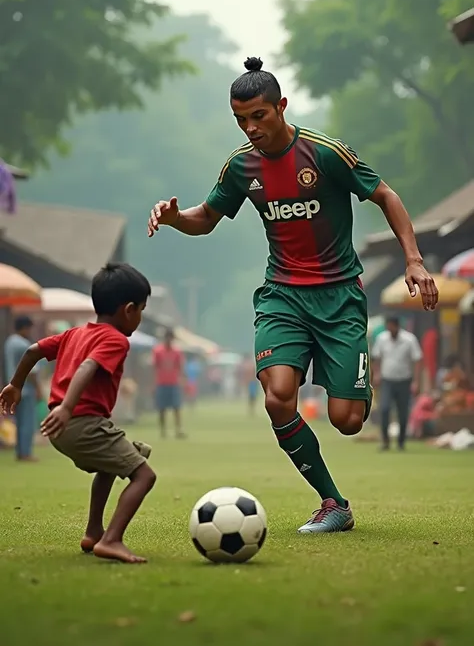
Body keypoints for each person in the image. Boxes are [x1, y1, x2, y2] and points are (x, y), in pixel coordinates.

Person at [147, 57, 438, 534]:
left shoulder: (325, 153)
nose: (250, 127)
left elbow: (385, 194)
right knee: (279, 397)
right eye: (240, 119)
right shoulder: (241, 166)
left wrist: (414, 259)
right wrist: (177, 217)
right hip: (282, 296)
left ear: (281, 106)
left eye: (258, 115)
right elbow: (207, 217)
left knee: (346, 421)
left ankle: (354, 385)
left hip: (340, 296)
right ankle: (333, 503)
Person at [0, 263, 156, 563]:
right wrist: (68, 407)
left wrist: (15, 385)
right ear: (129, 309)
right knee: (144, 476)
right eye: (141, 311)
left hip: (66, 428)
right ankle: (111, 540)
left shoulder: (74, 333)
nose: (140, 318)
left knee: (111, 464)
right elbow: (88, 367)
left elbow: (33, 350)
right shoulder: (115, 339)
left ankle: (93, 532)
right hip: (81, 422)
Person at [371, 316, 423, 451]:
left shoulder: (409, 339)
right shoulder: (382, 339)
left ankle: (401, 441)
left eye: (392, 327)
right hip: (387, 380)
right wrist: (376, 374)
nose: (390, 329)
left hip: (404, 380)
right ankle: (385, 441)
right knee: (384, 409)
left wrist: (416, 381)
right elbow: (376, 358)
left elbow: (417, 360)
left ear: (397, 326)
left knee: (403, 412)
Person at [4, 316, 43, 462]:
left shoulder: (10, 342)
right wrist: (38, 388)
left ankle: (20, 451)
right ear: (25, 327)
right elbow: (32, 371)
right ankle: (26, 453)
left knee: (19, 422)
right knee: (27, 422)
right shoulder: (24, 344)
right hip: (25, 389)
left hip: (12, 388)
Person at [152, 329, 186, 439]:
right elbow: (154, 367)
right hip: (161, 382)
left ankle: (179, 429)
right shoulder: (158, 351)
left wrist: (182, 380)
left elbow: (180, 366)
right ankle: (163, 430)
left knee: (177, 407)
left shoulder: (177, 352)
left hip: (174, 382)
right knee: (162, 408)